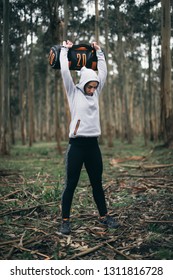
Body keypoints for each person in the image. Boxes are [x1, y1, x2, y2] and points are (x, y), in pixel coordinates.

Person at [59, 40, 119, 235]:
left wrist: (100, 53)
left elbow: (103, 73)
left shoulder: (96, 93)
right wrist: (65, 50)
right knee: (71, 184)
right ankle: (65, 221)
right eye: (90, 86)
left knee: (97, 183)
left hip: (93, 146)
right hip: (76, 146)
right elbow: (64, 72)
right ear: (83, 84)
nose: (92, 90)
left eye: (95, 87)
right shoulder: (73, 92)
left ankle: (104, 216)